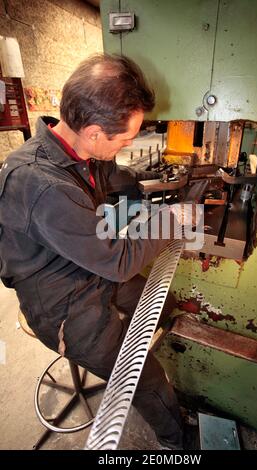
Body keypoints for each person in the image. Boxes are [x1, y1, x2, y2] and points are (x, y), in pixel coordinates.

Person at [0, 54, 185, 449]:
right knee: (146, 378)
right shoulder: (42, 185)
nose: (130, 143)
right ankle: (180, 444)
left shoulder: (77, 151)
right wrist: (170, 221)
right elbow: (117, 262)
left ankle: (153, 344)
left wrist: (155, 185)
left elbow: (117, 178)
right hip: (60, 301)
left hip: (85, 267)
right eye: (125, 139)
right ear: (96, 132)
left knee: (160, 299)